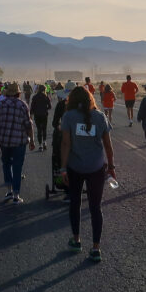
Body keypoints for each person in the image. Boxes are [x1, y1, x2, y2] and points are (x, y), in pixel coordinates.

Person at [60, 86, 115, 263]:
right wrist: (111, 166)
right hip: (96, 168)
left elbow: (66, 144)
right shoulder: (100, 116)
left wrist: (62, 168)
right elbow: (108, 145)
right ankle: (96, 248)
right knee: (95, 207)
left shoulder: (68, 117)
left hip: (75, 167)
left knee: (75, 203)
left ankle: (76, 240)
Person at [0, 83, 36, 203]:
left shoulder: (0, 104)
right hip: (19, 141)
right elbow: (28, 124)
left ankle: (9, 190)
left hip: (4, 141)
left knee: (6, 164)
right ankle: (16, 195)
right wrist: (32, 140)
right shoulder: (22, 105)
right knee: (17, 167)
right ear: (18, 93)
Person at [30, 84, 52, 151]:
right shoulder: (46, 96)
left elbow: (32, 107)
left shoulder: (35, 97)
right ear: (44, 89)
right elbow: (50, 106)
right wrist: (45, 108)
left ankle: (40, 146)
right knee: (44, 129)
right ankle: (44, 142)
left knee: (39, 130)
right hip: (44, 114)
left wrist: (31, 114)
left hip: (37, 115)